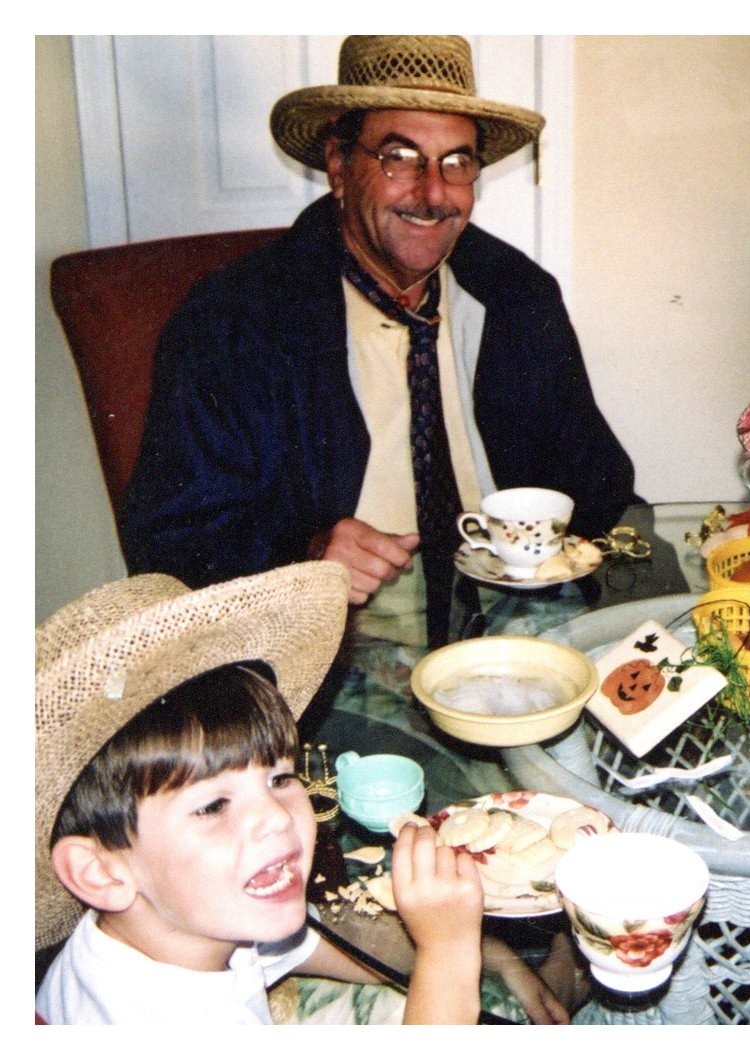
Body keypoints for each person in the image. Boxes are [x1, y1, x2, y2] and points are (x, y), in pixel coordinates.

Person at [118, 35, 640, 651]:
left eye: (457, 162)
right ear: (339, 168)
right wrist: (305, 552)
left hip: (515, 630)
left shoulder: (516, 295)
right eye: (400, 157)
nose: (433, 193)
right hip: (329, 648)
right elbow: (169, 538)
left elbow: (601, 478)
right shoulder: (237, 318)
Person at [35, 563, 581, 1024]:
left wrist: (490, 956)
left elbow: (302, 947)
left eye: (279, 778)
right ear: (99, 872)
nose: (276, 816)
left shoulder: (185, 919)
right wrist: (448, 950)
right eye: (213, 805)